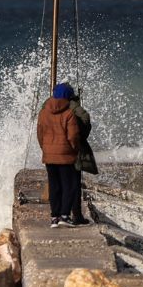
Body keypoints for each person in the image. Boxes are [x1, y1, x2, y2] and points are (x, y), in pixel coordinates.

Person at [36, 82, 81, 228]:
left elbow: (40, 134)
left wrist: (45, 149)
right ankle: (64, 216)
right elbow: (73, 136)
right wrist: (75, 149)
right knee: (69, 186)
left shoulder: (43, 113)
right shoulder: (69, 113)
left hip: (49, 156)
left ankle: (54, 217)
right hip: (66, 157)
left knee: (54, 186)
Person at [67, 87, 98, 225]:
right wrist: (81, 138)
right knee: (74, 184)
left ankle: (59, 216)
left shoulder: (47, 108)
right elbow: (85, 121)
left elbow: (41, 130)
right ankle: (76, 215)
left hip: (53, 154)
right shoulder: (75, 108)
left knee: (59, 184)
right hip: (72, 152)